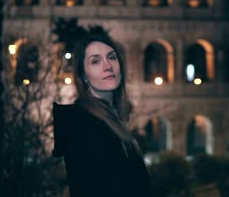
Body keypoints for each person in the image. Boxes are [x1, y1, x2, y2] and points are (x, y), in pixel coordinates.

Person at [52, 27, 153, 196]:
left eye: (112, 57)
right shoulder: (84, 125)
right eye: (95, 61)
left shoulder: (107, 118)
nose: (108, 66)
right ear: (83, 75)